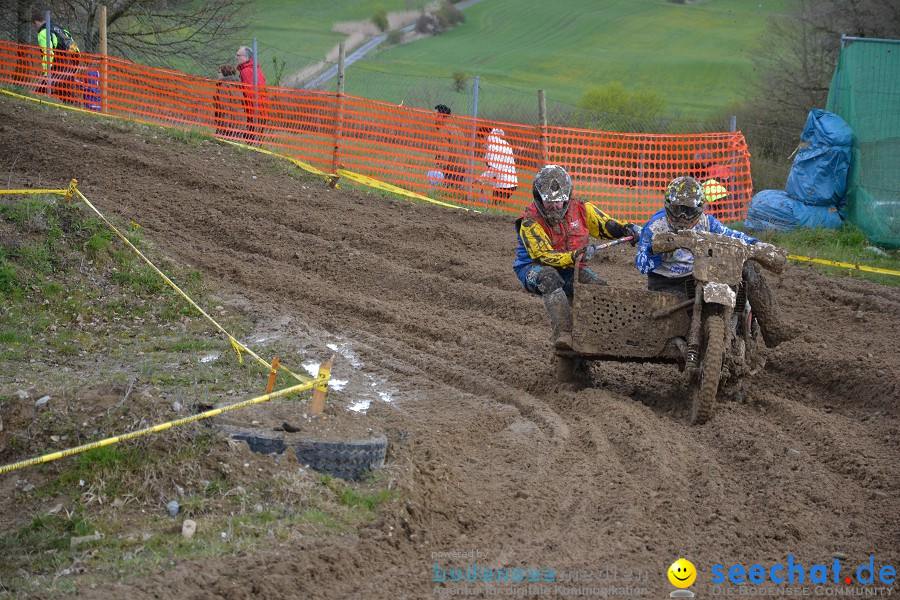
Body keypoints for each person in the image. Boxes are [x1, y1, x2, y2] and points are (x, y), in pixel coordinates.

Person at [634, 176, 794, 347]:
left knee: (749, 267)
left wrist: (757, 245)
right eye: (678, 209)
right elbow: (641, 265)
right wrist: (653, 250)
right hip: (665, 284)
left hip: (697, 278)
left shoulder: (707, 222)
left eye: (688, 211)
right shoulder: (655, 227)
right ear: (667, 205)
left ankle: (773, 328)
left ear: (699, 210)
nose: (682, 216)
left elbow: (734, 236)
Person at [514, 165, 640, 351]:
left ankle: (597, 333)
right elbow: (544, 257)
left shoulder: (580, 208)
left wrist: (625, 228)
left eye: (560, 201)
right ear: (539, 197)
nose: (555, 206)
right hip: (533, 268)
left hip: (571, 267)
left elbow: (605, 225)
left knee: (598, 288)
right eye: (549, 201)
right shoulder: (529, 221)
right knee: (550, 278)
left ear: (568, 197)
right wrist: (574, 255)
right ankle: (563, 334)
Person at [32, 11, 80, 105]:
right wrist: (75, 66)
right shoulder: (61, 30)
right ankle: (73, 107)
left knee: (40, 92)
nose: (36, 27)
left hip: (56, 64)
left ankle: (36, 106)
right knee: (65, 91)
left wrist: (47, 73)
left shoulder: (43, 33)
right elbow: (76, 49)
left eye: (35, 25)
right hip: (70, 63)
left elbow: (48, 53)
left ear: (37, 23)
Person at [429, 104, 466, 190]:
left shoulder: (443, 131)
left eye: (435, 115)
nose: (433, 118)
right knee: (456, 196)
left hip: (449, 171)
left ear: (441, 116)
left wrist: (438, 170)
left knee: (444, 196)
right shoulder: (458, 130)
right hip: (462, 170)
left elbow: (443, 154)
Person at [478, 125, 518, 205]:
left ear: (485, 136)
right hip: (512, 183)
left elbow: (494, 169)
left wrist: (479, 179)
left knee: (495, 207)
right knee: (496, 206)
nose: (480, 142)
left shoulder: (492, 147)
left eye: (480, 138)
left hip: (503, 185)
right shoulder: (504, 143)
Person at [235, 46, 267, 142]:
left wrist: (250, 115)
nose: (236, 57)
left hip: (254, 110)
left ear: (246, 57)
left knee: (251, 140)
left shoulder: (246, 71)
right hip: (262, 108)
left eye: (238, 55)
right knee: (256, 139)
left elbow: (249, 94)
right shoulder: (255, 68)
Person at [214, 63, 241, 138]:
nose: (217, 74)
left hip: (227, 125)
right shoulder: (237, 85)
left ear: (225, 74)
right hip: (238, 123)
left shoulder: (223, 87)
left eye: (219, 72)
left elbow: (224, 108)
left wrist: (224, 127)